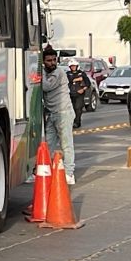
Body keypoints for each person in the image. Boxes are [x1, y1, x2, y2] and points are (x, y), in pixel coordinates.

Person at [34, 46, 76, 185]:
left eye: (54, 60)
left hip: (63, 113)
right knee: (48, 145)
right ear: (44, 61)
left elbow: (45, 86)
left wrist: (38, 72)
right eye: (48, 60)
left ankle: (69, 173)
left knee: (66, 144)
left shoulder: (58, 73)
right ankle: (43, 170)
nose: (52, 63)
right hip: (52, 113)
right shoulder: (47, 72)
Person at [66, 62, 92, 130]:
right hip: (70, 94)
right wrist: (76, 79)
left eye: (74, 66)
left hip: (79, 94)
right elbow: (67, 81)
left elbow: (88, 83)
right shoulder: (68, 74)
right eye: (71, 66)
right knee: (71, 109)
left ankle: (77, 122)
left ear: (77, 66)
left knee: (78, 108)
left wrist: (83, 89)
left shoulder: (82, 73)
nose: (73, 67)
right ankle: (70, 122)